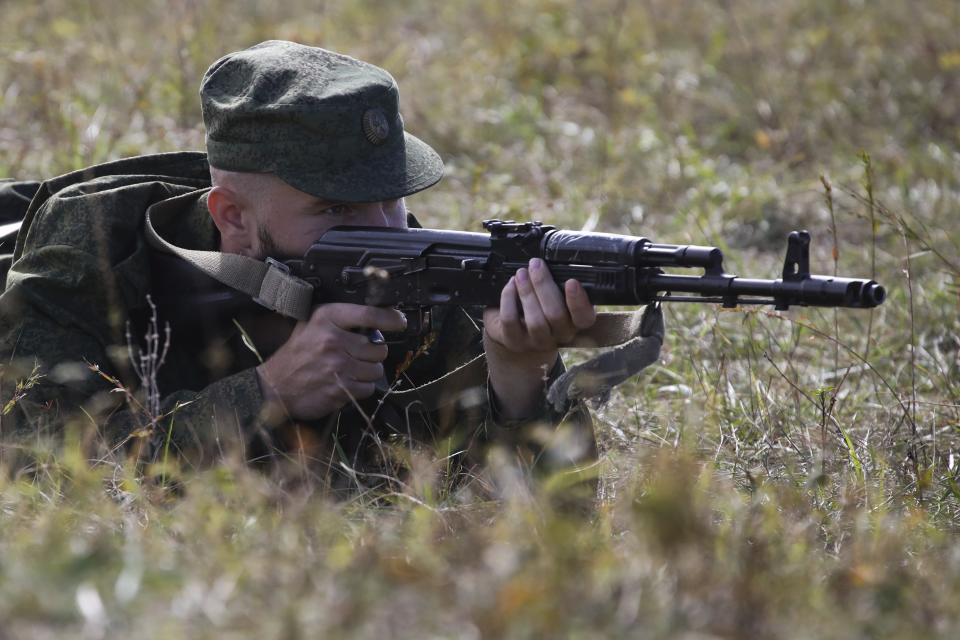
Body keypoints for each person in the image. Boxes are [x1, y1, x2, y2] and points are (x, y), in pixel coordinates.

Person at [0, 41, 597, 492]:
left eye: (391, 198)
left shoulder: (434, 277)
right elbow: (37, 461)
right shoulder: (96, 246)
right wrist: (267, 392)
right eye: (335, 208)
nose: (385, 232)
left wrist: (522, 383)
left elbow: (557, 528)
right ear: (232, 218)